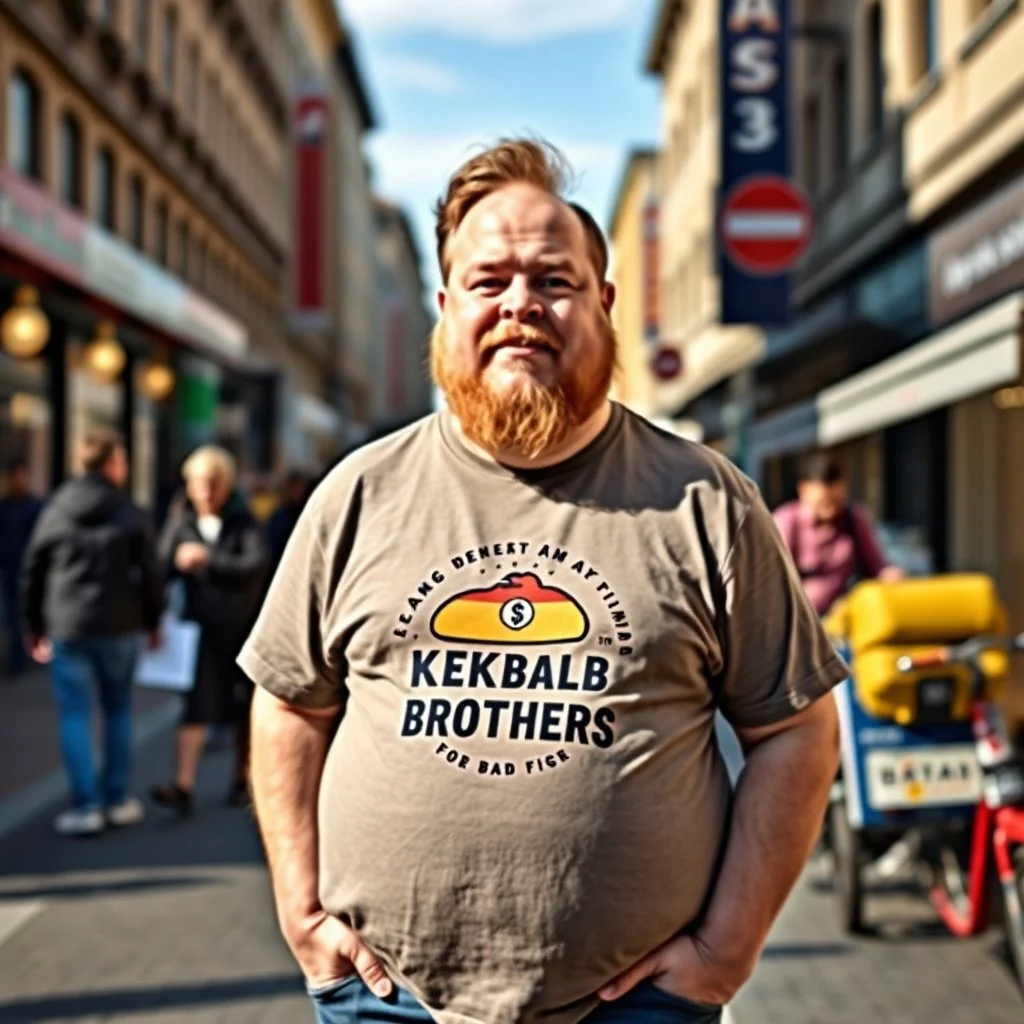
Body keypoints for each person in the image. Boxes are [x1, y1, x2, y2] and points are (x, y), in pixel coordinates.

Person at [240, 138, 845, 1024]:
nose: (520, 304)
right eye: (489, 282)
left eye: (553, 281)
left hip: (635, 1008)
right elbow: (289, 704)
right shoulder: (359, 494)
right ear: (446, 308)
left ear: (602, 303)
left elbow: (796, 729)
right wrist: (302, 917)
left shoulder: (706, 499)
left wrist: (724, 951)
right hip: (386, 1002)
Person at [22, 429, 162, 837]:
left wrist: (33, 625)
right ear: (112, 464)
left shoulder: (57, 508)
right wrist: (154, 621)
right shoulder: (129, 511)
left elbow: (34, 569)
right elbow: (151, 572)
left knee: (74, 715)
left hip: (67, 623)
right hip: (119, 623)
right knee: (119, 710)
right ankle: (115, 800)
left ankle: (85, 806)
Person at [151, 446, 268, 816]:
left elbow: (255, 565)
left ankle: (242, 780)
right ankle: (183, 785)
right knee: (195, 708)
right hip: (196, 632)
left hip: (240, 630)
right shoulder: (180, 517)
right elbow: (161, 564)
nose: (203, 492)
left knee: (241, 709)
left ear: (225, 485)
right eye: (197, 484)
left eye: (211, 484)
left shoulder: (243, 520)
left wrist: (207, 559)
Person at [772, 450, 904, 617]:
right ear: (804, 490)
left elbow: (876, 566)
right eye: (824, 502)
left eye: (836, 501)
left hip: (845, 619)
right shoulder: (786, 522)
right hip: (800, 622)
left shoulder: (854, 518)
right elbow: (773, 583)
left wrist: (891, 575)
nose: (831, 509)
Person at [0, 459, 43, 677]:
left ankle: (32, 656)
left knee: (28, 614)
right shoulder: (5, 507)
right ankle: (19, 660)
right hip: (9, 569)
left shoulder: (35, 507)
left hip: (28, 569)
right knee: (13, 617)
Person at [266, 470, 312, 575]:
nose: (296, 492)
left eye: (300, 488)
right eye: (293, 488)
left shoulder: (311, 515)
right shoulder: (279, 516)